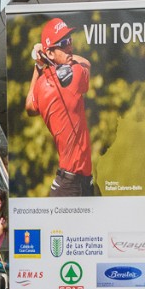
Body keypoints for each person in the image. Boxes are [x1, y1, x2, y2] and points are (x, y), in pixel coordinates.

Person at [25, 17, 94, 197]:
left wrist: (38, 65)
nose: (69, 47)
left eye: (69, 41)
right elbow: (86, 63)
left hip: (74, 182)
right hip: (71, 185)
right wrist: (48, 58)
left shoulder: (41, 85)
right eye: (62, 44)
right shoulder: (75, 74)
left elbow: (30, 107)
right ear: (51, 53)